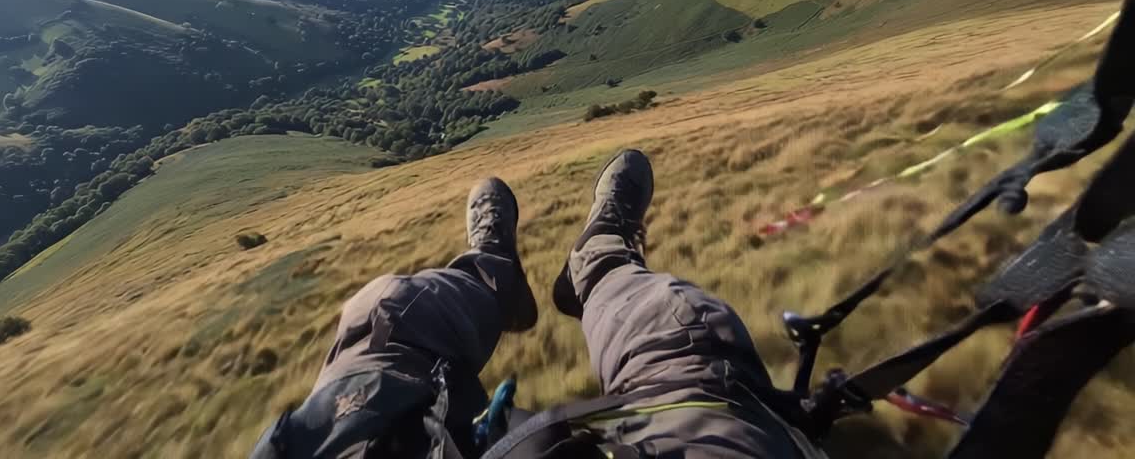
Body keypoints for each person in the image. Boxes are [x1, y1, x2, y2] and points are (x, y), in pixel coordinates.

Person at [250, 149, 823, 458]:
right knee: (683, 337)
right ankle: (599, 262)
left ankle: (494, 271)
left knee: (385, 311)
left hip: (367, 438)